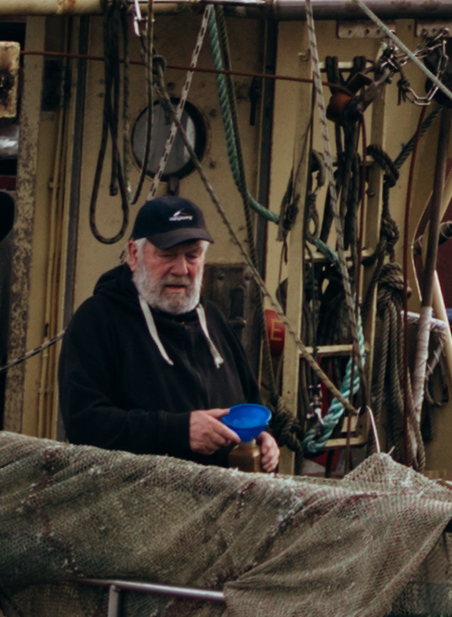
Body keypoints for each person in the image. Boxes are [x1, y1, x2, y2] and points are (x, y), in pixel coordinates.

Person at [53, 196, 288, 470]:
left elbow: (248, 403)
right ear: (134, 254)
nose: (181, 269)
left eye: (192, 255)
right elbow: (84, 423)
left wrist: (262, 438)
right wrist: (176, 431)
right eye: (167, 255)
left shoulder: (213, 318)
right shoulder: (97, 320)